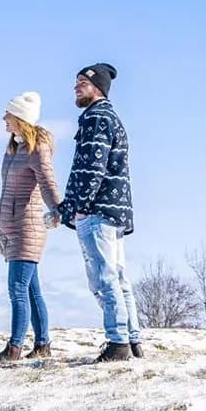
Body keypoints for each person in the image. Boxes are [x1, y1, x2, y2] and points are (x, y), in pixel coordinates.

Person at [57, 62, 142, 363]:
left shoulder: (96, 118)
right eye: (76, 81)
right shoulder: (109, 118)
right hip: (114, 210)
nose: (76, 87)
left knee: (103, 278)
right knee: (118, 277)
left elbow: (91, 168)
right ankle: (132, 339)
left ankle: (117, 342)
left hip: (97, 211)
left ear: (98, 88)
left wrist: (76, 207)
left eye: (82, 82)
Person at [0, 91, 65, 364]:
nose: (4, 118)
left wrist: (58, 210)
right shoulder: (14, 148)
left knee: (17, 289)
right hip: (11, 226)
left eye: (8, 114)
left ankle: (14, 348)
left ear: (20, 118)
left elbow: (48, 183)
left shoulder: (36, 149)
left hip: (27, 228)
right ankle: (42, 344)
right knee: (32, 290)